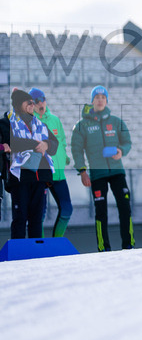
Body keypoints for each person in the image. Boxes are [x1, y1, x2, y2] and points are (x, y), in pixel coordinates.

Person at [70, 85, 135, 251]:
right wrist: (82, 171)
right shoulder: (82, 125)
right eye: (96, 97)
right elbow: (76, 150)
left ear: (107, 100)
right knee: (101, 212)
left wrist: (121, 151)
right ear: (92, 101)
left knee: (125, 208)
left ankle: (129, 244)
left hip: (117, 171)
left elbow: (127, 142)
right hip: (97, 174)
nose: (100, 100)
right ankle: (103, 247)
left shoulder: (116, 121)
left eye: (103, 97)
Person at [7, 88, 56, 239]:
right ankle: (19, 255)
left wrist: (46, 145)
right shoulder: (9, 122)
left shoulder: (40, 124)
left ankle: (36, 256)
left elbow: (55, 144)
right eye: (27, 101)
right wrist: (35, 144)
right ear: (17, 105)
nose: (31, 104)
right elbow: (11, 143)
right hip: (20, 177)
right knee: (20, 217)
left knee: (36, 219)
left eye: (31, 102)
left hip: (40, 177)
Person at [29, 87, 73, 237]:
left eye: (43, 100)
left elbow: (61, 141)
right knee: (40, 213)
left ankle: (57, 241)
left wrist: (64, 156)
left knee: (67, 209)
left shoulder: (55, 120)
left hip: (58, 173)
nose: (41, 104)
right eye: (36, 101)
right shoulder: (30, 122)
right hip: (41, 174)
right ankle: (39, 244)